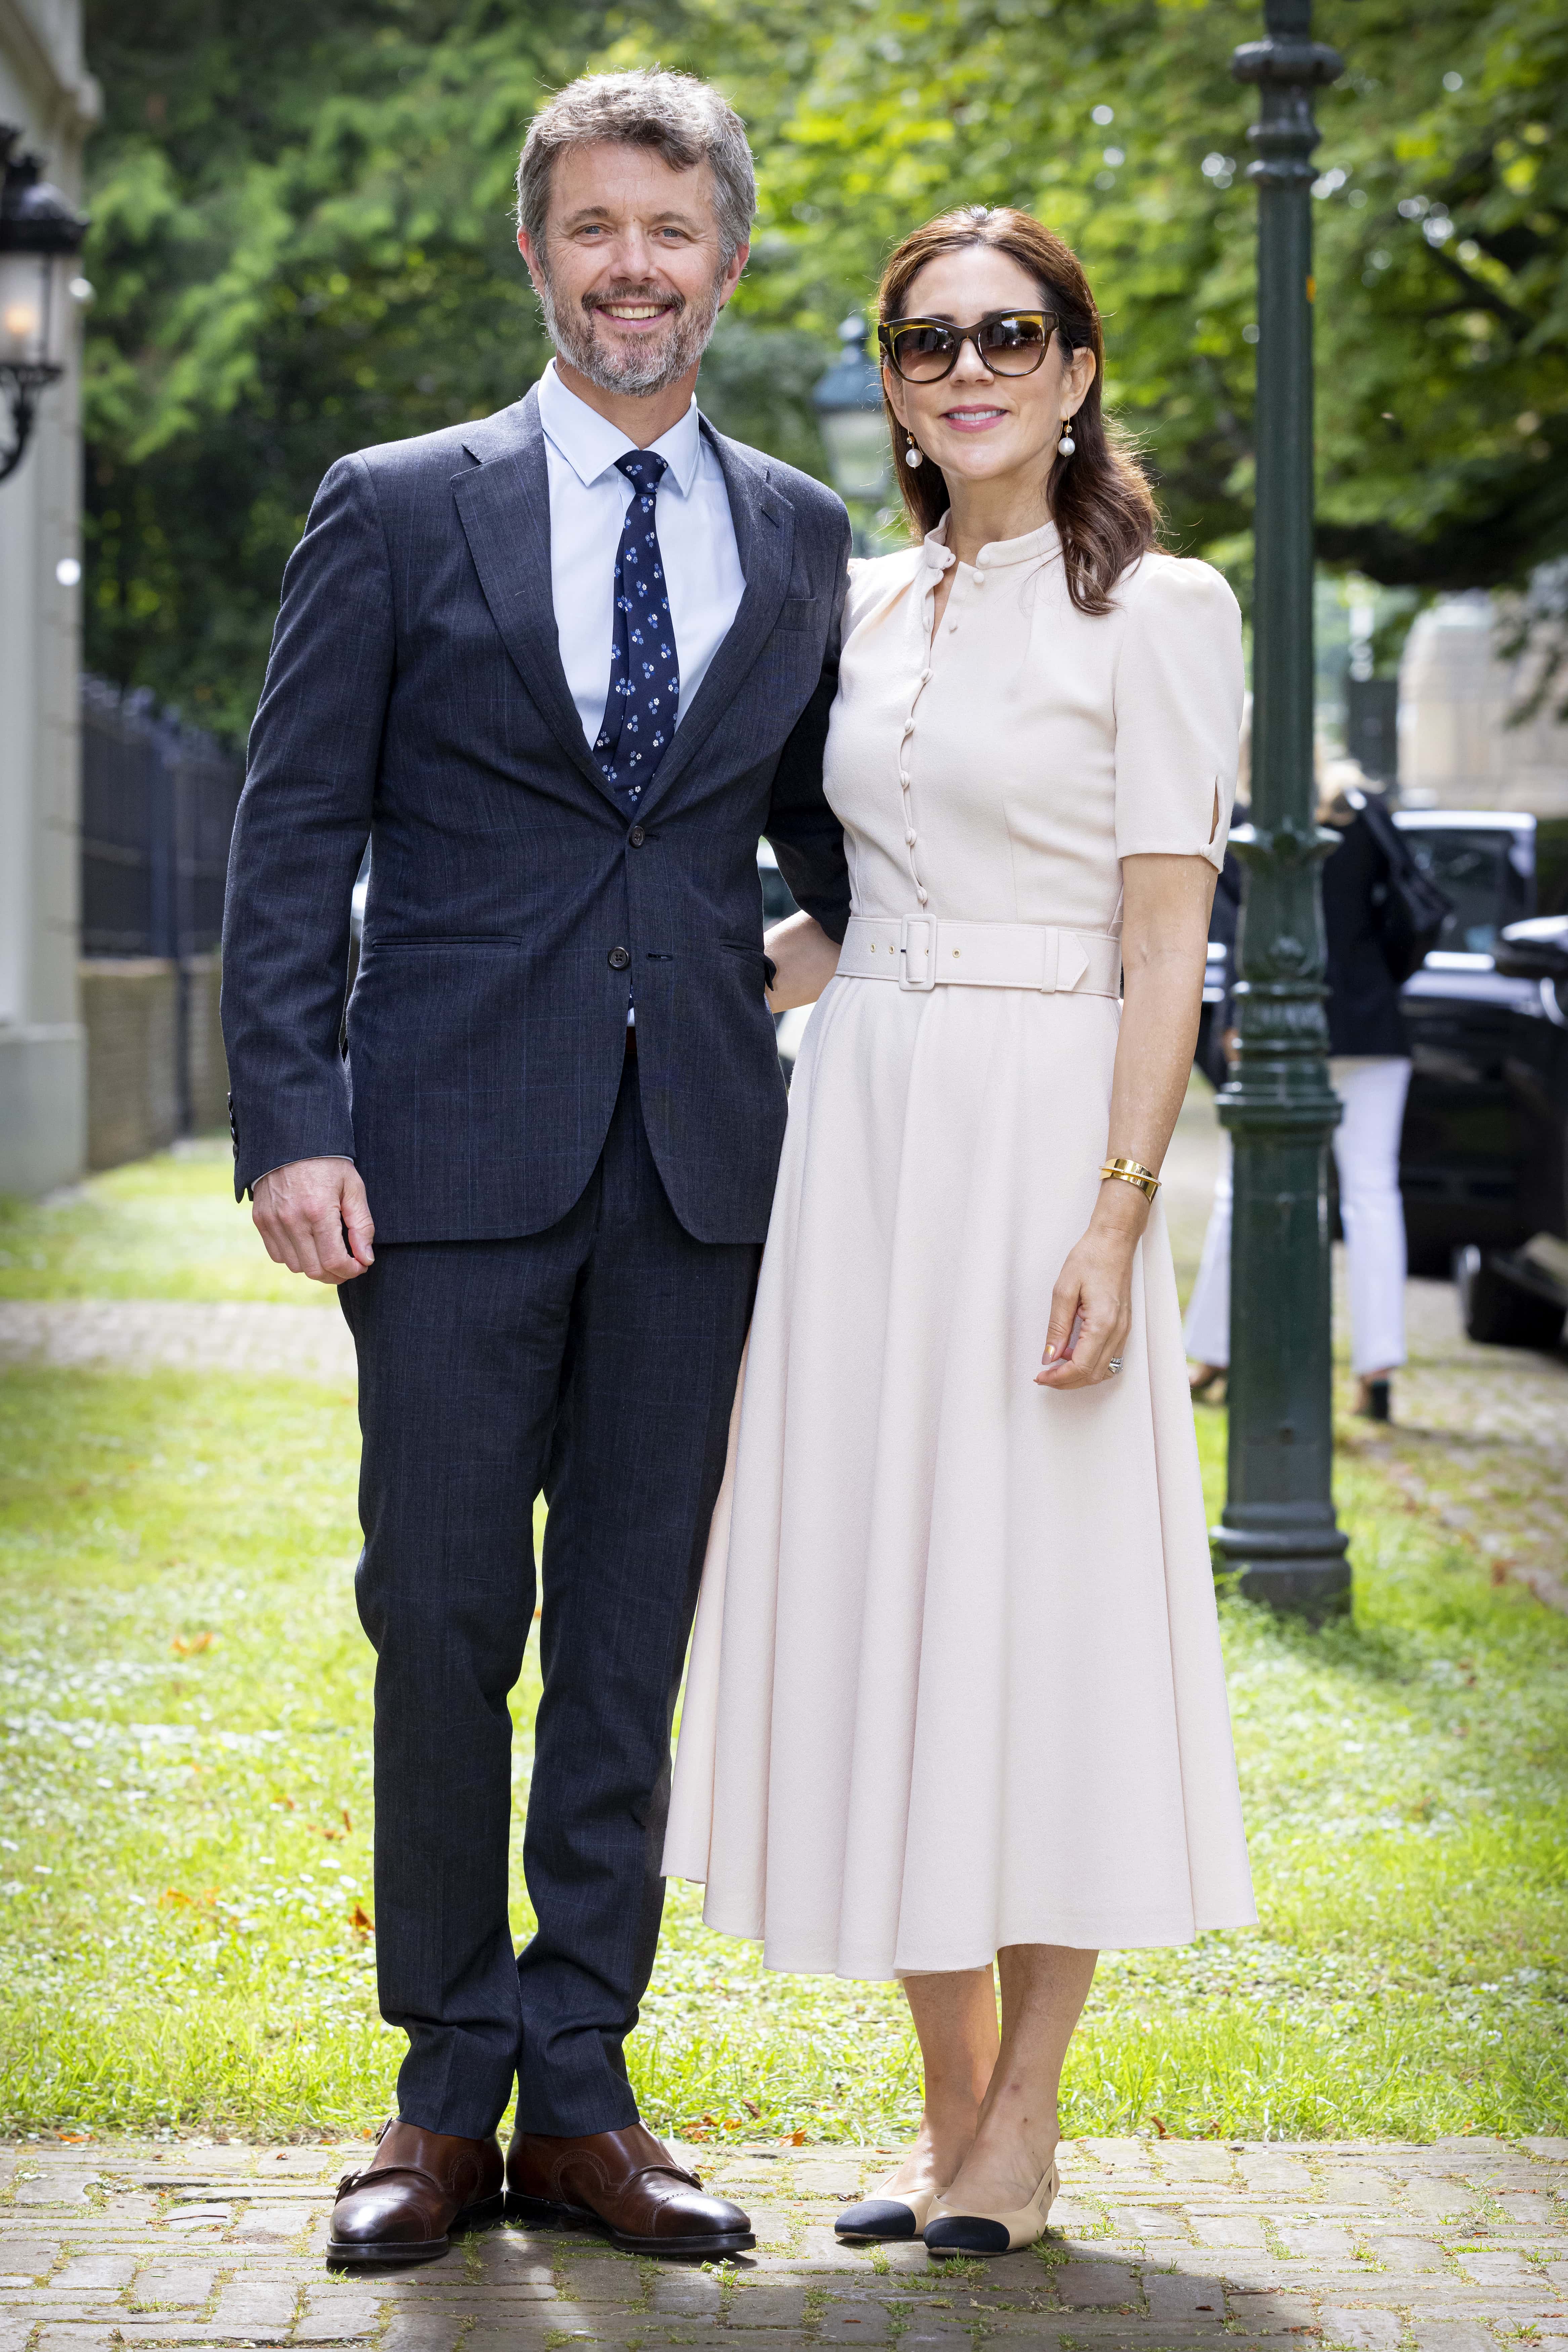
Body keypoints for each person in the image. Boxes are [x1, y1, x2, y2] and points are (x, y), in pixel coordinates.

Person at [221, 69, 854, 2266]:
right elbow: (295, 829)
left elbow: (836, 839)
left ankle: (582, 2098)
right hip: (444, 1165)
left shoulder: (796, 532)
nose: (632, 269)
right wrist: (288, 1120)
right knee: (441, 1620)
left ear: (729, 261)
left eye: (669, 233)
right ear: (537, 252)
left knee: (623, 1641)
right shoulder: (400, 507)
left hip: (702, 1166)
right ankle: (437, 2098)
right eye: (593, 229)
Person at [663, 206, 1256, 2261]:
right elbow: (859, 905)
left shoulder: (1164, 610)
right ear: (894, 383)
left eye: (1009, 335)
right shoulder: (863, 604)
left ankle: (1027, 2107)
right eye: (927, 344)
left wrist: (1116, 1210)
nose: (967, 369)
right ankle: (938, 2104)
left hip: (1041, 1136)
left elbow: (1163, 943)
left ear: (1077, 368)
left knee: (1040, 1614)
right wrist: (697, 991)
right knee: (885, 1595)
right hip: (868, 1139)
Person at [1184, 760, 1412, 1421]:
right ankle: (1379, 1368)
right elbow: (1410, 904)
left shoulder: (1249, 822)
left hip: (1281, 1020)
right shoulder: (1362, 810)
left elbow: (1234, 935)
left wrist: (1230, 1022)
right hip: (1369, 1019)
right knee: (1373, 1192)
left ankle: (1213, 1353)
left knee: (1241, 1187)